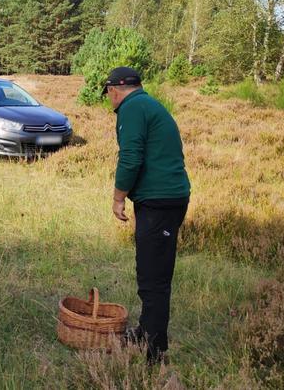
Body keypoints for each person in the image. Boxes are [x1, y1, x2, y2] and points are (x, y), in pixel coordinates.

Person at [103, 66, 190, 365]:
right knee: (151, 271)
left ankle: (155, 351)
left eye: (109, 95)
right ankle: (146, 330)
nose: (110, 100)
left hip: (160, 204)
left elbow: (130, 156)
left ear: (114, 90)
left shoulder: (132, 107)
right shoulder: (148, 104)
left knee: (153, 278)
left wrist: (118, 198)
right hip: (163, 200)